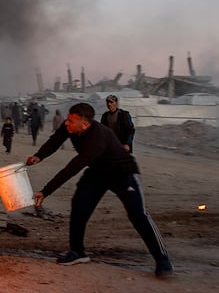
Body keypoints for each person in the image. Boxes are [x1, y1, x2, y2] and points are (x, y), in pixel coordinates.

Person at [26, 102, 172, 278]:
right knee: (79, 205)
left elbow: (72, 168)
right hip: (97, 172)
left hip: (123, 173)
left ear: (84, 125)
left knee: (138, 215)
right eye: (68, 119)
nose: (66, 123)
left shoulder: (97, 138)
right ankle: (77, 252)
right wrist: (39, 156)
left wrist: (45, 191)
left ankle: (163, 260)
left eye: (71, 121)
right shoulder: (69, 126)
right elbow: (55, 141)